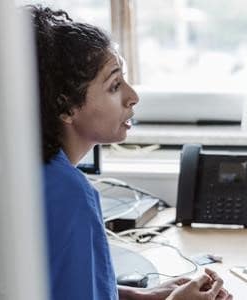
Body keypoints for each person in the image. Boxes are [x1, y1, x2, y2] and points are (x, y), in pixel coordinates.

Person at [29, 5, 232, 300]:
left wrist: (141, 297)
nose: (132, 96)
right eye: (114, 86)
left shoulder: (38, 174)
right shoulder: (68, 194)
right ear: (67, 107)